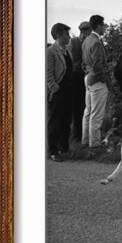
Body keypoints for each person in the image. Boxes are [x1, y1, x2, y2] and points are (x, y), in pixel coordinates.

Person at [46, 23, 74, 161]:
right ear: (58, 35)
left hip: (68, 91)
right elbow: (48, 72)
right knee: (55, 121)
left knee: (66, 121)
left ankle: (64, 147)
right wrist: (53, 87)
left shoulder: (66, 50)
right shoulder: (51, 51)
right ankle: (53, 151)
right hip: (58, 92)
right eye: (66, 34)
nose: (68, 37)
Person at [81, 14, 109, 148]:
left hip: (88, 77)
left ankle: (85, 141)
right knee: (96, 114)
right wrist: (105, 79)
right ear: (98, 26)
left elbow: (85, 62)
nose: (104, 28)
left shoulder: (86, 40)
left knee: (88, 112)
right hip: (97, 79)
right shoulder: (97, 42)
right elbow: (98, 65)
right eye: (103, 25)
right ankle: (95, 144)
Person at [69, 21, 91, 141]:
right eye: (86, 31)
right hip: (77, 77)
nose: (87, 33)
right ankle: (77, 134)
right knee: (78, 107)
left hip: (83, 77)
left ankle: (82, 134)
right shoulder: (74, 42)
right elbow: (71, 61)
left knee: (85, 107)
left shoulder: (82, 42)